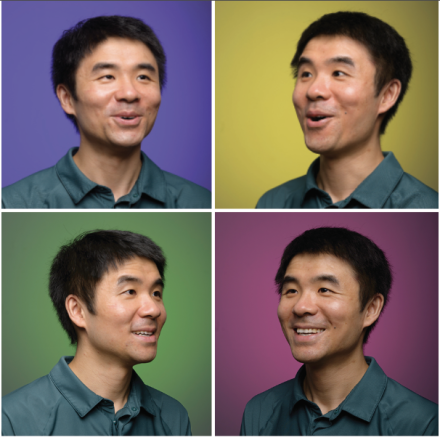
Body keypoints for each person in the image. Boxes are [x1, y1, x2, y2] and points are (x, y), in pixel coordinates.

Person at [240, 227, 438, 435]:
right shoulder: (260, 412)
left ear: (371, 309)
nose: (301, 307)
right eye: (291, 291)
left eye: (324, 290)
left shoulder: (422, 423)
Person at [2, 15, 211, 209]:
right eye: (108, 76)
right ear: (67, 99)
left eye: (143, 77)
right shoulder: (14, 204)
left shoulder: (199, 203)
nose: (130, 93)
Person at [2, 230, 191, 435]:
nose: (154, 309)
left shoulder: (173, 418)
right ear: (78, 310)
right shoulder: (13, 419)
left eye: (156, 293)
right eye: (130, 291)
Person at [256, 12, 438, 209]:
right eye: (306, 74)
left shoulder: (427, 207)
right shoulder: (272, 203)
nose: (313, 90)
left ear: (387, 95)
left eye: (338, 73)